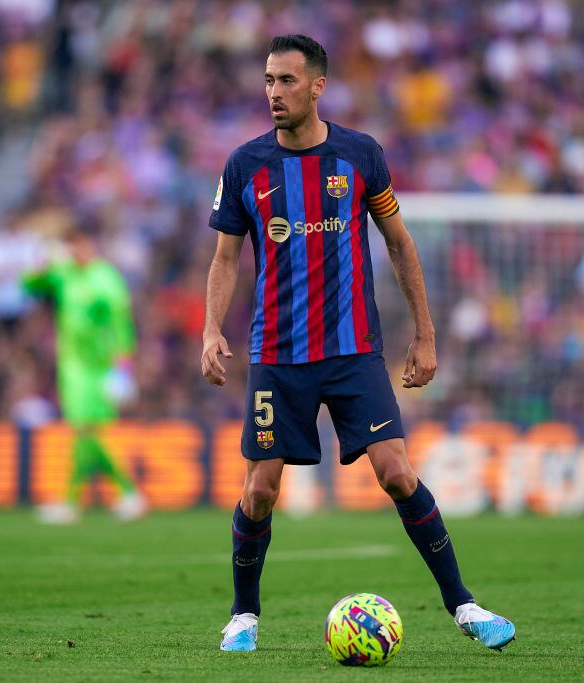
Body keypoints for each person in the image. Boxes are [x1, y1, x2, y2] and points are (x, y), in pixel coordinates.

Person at [201, 35, 515, 654]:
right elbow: (225, 258)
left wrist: (425, 334)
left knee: (397, 472)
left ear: (318, 86)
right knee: (260, 490)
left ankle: (465, 605)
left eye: (287, 81)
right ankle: (243, 616)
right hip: (277, 355)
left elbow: (399, 243)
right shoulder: (244, 165)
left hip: (352, 353)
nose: (274, 93)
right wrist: (212, 328)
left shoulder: (360, 155)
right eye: (268, 80)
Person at [24, 227, 146, 523]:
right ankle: (122, 494)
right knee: (86, 431)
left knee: (86, 431)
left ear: (89, 245)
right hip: (72, 367)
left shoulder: (106, 278)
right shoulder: (64, 273)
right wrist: (41, 264)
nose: (74, 251)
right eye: (70, 246)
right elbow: (29, 287)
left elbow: (121, 323)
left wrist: (123, 366)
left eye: (78, 245)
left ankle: (87, 498)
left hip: (99, 368)